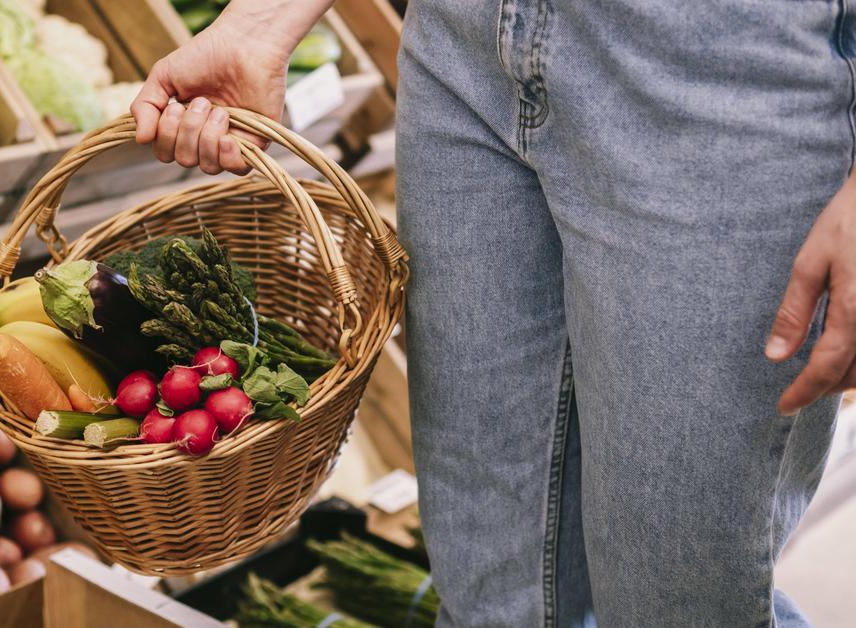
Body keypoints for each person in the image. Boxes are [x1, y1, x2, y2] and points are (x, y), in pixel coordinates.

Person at [130, 1, 856, 625]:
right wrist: (265, 19)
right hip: (461, 41)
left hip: (716, 65)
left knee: (676, 601)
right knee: (486, 595)